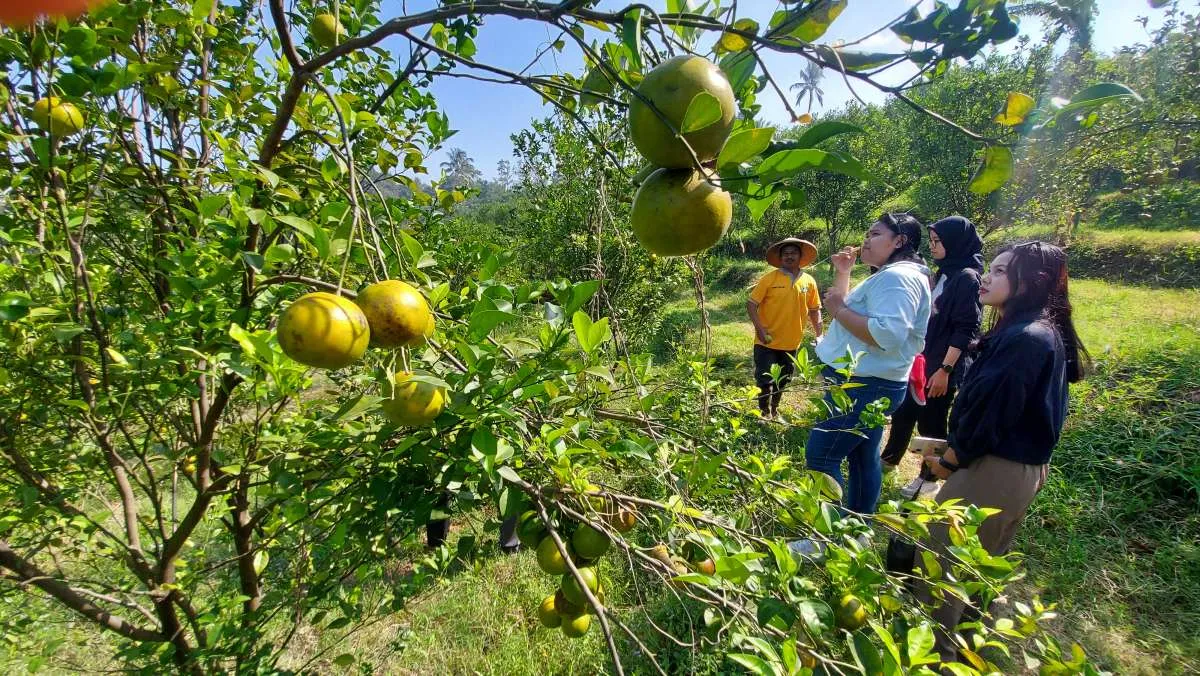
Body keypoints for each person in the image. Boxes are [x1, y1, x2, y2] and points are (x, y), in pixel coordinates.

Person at [918, 241, 1089, 662]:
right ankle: (969, 649)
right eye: (989, 268)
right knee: (981, 561)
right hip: (1015, 468)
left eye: (999, 271)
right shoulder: (1032, 330)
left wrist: (951, 460)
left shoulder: (1026, 338)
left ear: (1030, 281)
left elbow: (993, 412)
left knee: (946, 562)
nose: (987, 277)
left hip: (996, 467)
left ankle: (936, 659)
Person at [802, 213, 932, 517]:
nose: (865, 241)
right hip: (873, 381)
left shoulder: (897, 277)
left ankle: (826, 536)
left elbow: (885, 333)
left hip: (864, 384)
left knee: (821, 456)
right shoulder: (896, 275)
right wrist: (843, 272)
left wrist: (837, 309)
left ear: (899, 240)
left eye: (874, 234)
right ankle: (857, 528)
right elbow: (852, 313)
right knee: (862, 455)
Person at [880, 216, 984, 496]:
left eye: (939, 242)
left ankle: (929, 478)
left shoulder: (967, 278)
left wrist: (945, 371)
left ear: (955, 243)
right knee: (903, 414)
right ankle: (887, 463)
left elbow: (966, 328)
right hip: (923, 361)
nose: (934, 247)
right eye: (933, 241)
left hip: (942, 367)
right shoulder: (944, 273)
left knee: (932, 423)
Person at [746, 238, 823, 419]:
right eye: (785, 253)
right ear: (780, 257)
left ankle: (774, 409)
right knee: (765, 380)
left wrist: (820, 334)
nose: (789, 256)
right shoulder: (769, 279)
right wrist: (760, 329)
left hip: (791, 343)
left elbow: (815, 310)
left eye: (793, 253)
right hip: (766, 341)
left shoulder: (809, 281)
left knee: (783, 380)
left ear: (800, 256)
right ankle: (764, 414)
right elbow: (751, 304)